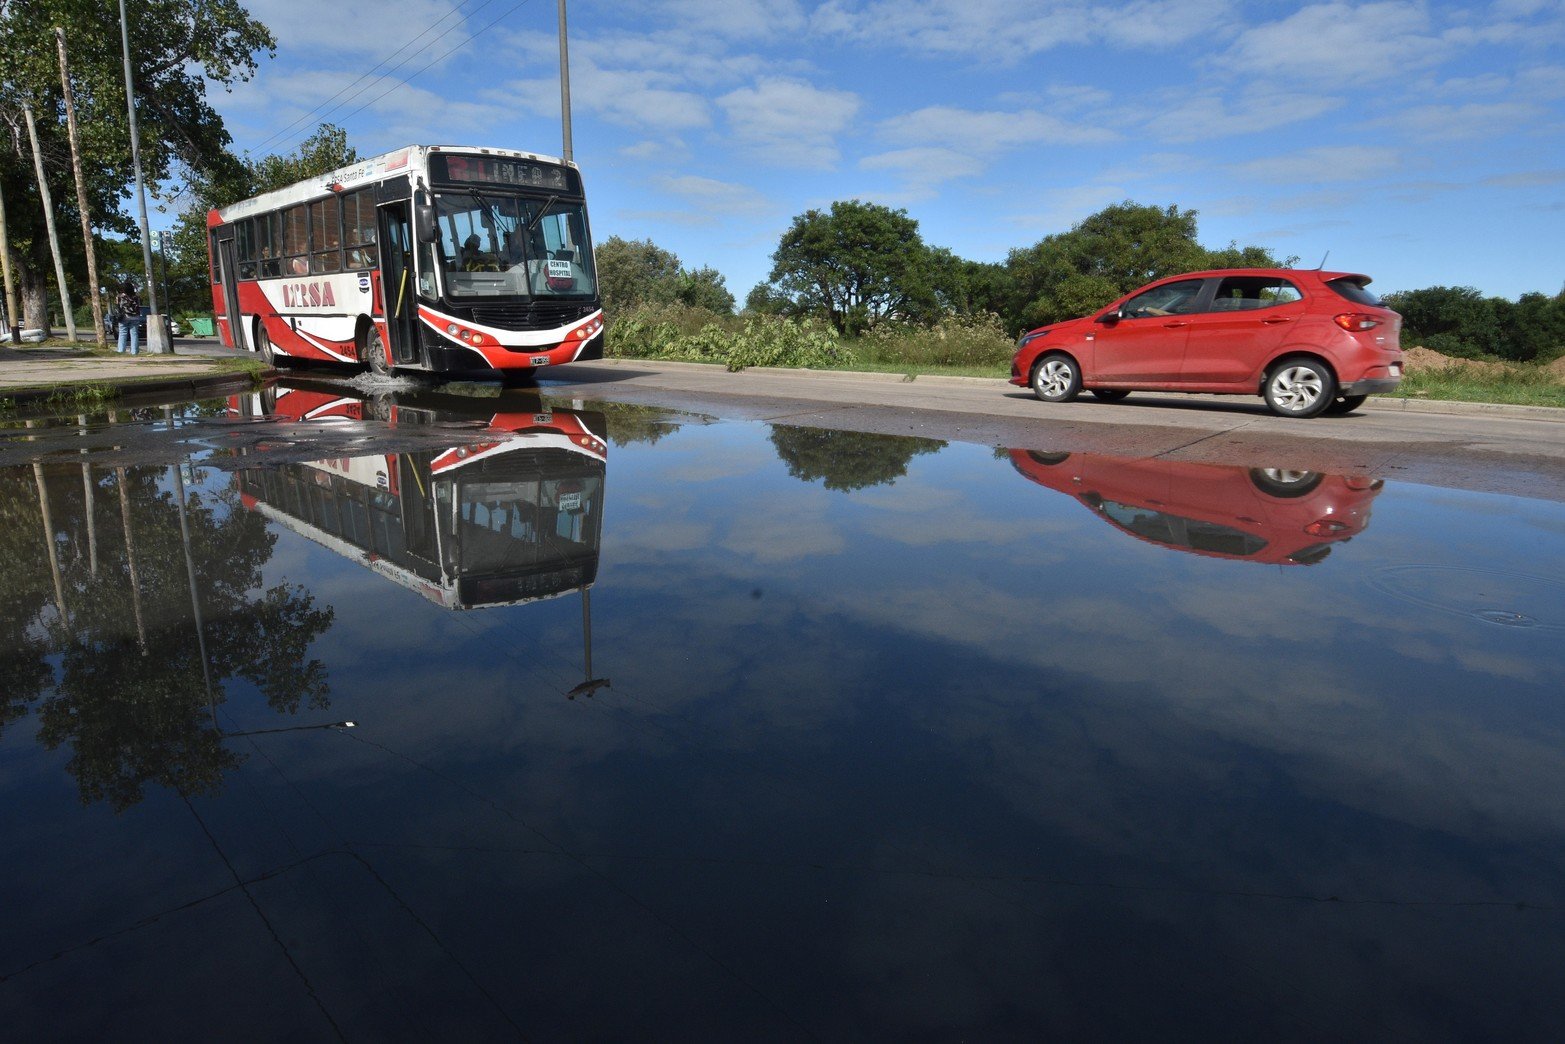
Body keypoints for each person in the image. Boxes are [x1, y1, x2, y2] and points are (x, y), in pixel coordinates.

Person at [115, 279, 141, 355]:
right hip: (135, 316)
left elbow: (118, 306)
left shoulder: (120, 296)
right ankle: (134, 351)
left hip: (124, 316)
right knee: (134, 333)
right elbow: (139, 306)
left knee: (123, 333)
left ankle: (121, 350)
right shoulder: (136, 297)